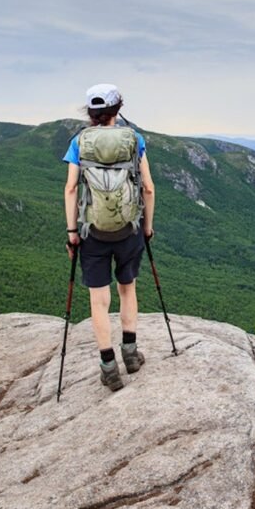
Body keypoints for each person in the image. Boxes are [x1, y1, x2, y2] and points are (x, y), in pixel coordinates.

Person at [62, 83, 156, 391]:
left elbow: (72, 188)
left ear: (91, 112)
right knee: (127, 289)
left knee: (98, 300)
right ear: (118, 109)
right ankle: (131, 354)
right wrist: (146, 227)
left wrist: (72, 232)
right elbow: (148, 188)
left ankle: (108, 367)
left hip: (93, 232)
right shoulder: (134, 139)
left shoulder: (80, 141)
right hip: (129, 229)